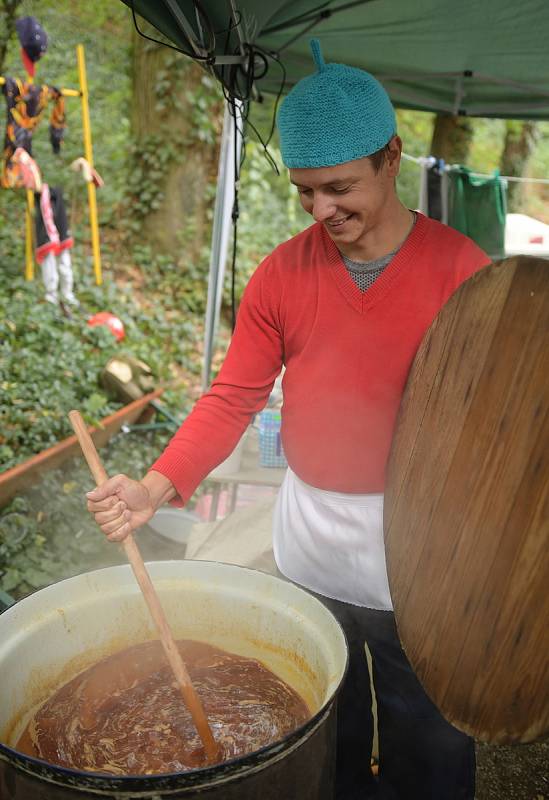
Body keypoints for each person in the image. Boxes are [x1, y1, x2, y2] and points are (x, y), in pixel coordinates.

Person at [86, 40, 490, 799]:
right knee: (322, 722)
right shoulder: (282, 274)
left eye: (339, 188)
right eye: (306, 192)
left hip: (423, 552)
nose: (321, 210)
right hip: (312, 546)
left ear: (391, 157)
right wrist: (156, 484)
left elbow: (500, 425)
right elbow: (233, 396)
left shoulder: (463, 273)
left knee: (426, 737)